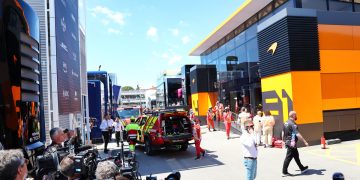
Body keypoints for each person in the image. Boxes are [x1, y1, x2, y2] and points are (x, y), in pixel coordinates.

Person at [282, 111, 309, 176]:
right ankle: (284, 171)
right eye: (295, 115)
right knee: (288, 157)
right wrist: (305, 141)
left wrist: (283, 140)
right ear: (293, 115)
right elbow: (297, 134)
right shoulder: (293, 124)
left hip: (289, 142)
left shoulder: (286, 122)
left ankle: (302, 168)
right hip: (292, 143)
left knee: (296, 156)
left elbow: (283, 132)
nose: (296, 116)